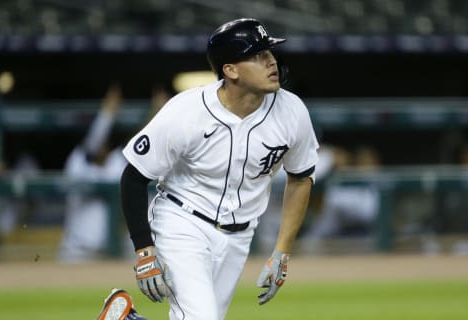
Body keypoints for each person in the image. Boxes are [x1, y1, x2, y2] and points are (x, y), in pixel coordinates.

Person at [97, 18, 319, 320]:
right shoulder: (187, 111)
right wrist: (144, 250)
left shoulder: (292, 112)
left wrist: (282, 250)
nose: (271, 62)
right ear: (231, 70)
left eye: (270, 53)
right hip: (182, 223)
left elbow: (300, 178)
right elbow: (134, 175)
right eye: (258, 55)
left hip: (239, 237)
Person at [59, 84, 127, 263]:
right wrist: (107, 114)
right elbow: (93, 142)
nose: (102, 145)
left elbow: (143, 148)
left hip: (109, 252)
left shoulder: (116, 162)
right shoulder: (77, 161)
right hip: (75, 252)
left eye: (106, 141)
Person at [304, 145, 381, 254]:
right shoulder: (338, 186)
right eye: (362, 162)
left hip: (364, 241)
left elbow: (370, 213)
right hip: (331, 241)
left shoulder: (376, 188)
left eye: (370, 162)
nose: (366, 166)